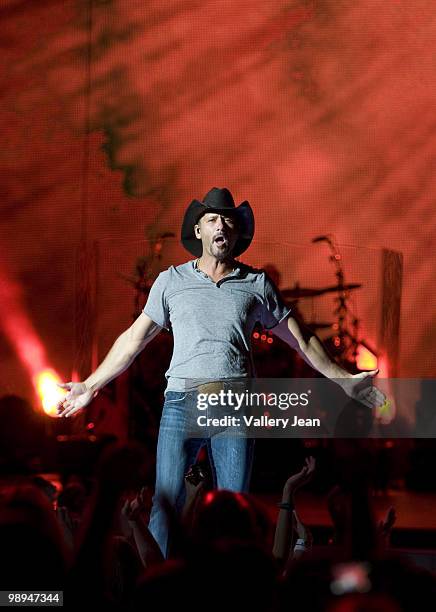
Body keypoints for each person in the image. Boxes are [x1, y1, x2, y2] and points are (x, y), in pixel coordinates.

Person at [57, 187, 384, 557]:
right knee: (165, 505)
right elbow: (133, 340)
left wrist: (343, 381)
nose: (221, 226)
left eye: (228, 220)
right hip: (181, 403)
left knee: (234, 509)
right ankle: (156, 589)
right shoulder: (171, 281)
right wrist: (91, 384)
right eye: (212, 219)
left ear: (237, 232)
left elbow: (302, 340)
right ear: (198, 231)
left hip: (234, 404)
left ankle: (230, 590)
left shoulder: (256, 283)